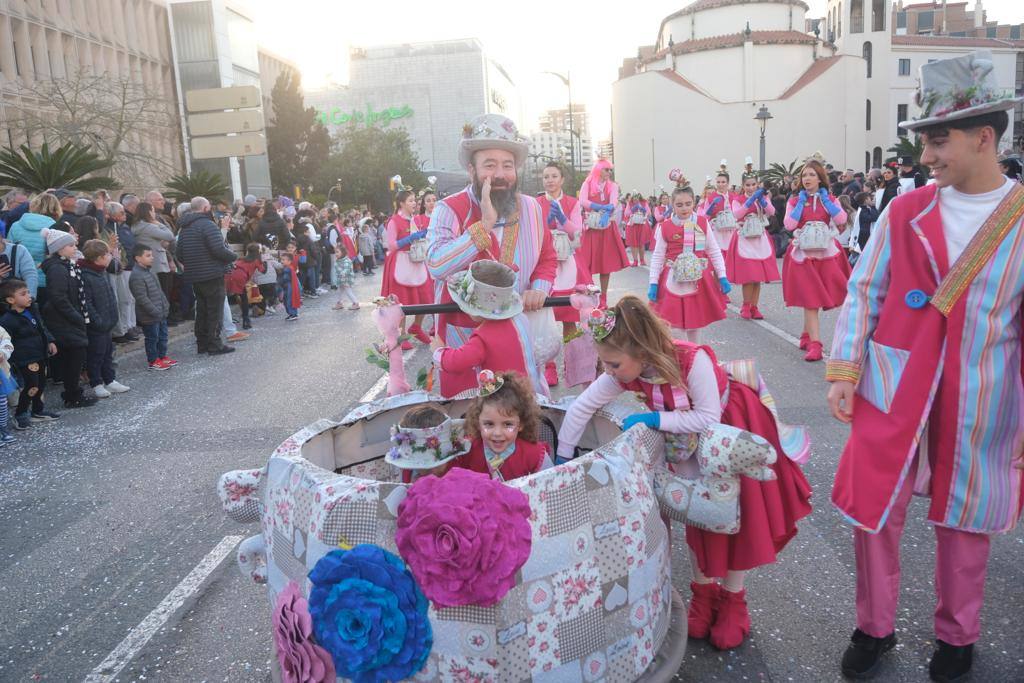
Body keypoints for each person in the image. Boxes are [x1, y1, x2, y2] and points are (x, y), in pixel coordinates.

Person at [826, 51, 1024, 682]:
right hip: (893, 383)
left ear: (984, 137)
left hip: (983, 392)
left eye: (938, 142)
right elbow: (865, 290)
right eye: (925, 143)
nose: (926, 156)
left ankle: (958, 637)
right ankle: (873, 626)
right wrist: (845, 368)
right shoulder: (905, 211)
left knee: (965, 519)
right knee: (874, 510)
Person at [558, 296, 811, 650]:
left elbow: (708, 416)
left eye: (613, 364)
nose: (608, 371)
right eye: (605, 363)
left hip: (729, 432)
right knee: (697, 513)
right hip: (688, 439)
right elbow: (582, 407)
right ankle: (703, 594)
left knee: (736, 516)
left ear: (640, 352)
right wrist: (563, 458)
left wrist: (654, 418)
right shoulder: (625, 370)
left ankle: (734, 599)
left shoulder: (693, 360)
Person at [426, 113, 557, 397]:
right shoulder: (448, 209)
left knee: (521, 409)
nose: (499, 174)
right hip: (464, 336)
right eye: (489, 165)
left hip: (517, 333)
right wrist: (484, 226)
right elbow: (436, 264)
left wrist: (539, 288)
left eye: (507, 165)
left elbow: (547, 258)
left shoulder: (532, 208)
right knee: (468, 412)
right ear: (471, 170)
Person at [431, 260, 535, 397]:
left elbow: (457, 362)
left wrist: (439, 351)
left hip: (502, 397)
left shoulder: (483, 337)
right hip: (528, 390)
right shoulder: (521, 319)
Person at [782, 159, 851, 362]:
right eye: (804, 175)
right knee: (811, 298)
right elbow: (789, 225)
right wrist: (800, 203)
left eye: (812, 175)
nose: (807, 178)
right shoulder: (794, 200)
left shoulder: (830, 199)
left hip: (825, 253)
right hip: (803, 255)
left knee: (815, 298)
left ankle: (806, 334)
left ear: (820, 178)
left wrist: (827, 201)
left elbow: (841, 220)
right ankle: (816, 344)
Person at [648, 186, 730, 343]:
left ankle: (694, 354)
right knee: (675, 328)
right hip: (673, 280)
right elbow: (658, 256)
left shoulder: (702, 223)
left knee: (695, 325)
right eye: (679, 205)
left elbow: (713, 250)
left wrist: (722, 276)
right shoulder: (665, 226)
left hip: (697, 279)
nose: (684, 208)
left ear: (694, 203)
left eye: (688, 204)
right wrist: (653, 282)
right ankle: (684, 352)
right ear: (672, 205)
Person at [535, 161, 589, 386]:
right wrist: (546, 226)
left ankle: (572, 362)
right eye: (546, 176)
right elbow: (532, 232)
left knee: (569, 319)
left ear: (562, 179)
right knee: (545, 320)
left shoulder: (573, 203)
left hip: (568, 266)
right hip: (545, 265)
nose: (549, 180)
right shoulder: (536, 204)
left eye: (554, 176)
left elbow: (578, 235)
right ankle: (549, 367)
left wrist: (564, 222)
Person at [453, 369, 550, 480]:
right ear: (478, 423)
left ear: (521, 424)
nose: (497, 433)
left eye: (508, 424)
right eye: (489, 424)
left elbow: (551, 483)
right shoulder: (466, 451)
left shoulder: (534, 455)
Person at [39, 229, 96, 408]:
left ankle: (73, 393)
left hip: (68, 318)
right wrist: (77, 316)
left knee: (75, 357)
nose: (75, 248)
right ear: (59, 248)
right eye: (71, 245)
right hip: (64, 319)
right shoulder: (57, 268)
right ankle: (73, 396)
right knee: (74, 358)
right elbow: (59, 297)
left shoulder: (66, 265)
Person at [177, 197, 237, 355]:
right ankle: (214, 344)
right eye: (209, 207)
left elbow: (179, 253)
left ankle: (202, 344)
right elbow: (219, 249)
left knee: (202, 310)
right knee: (214, 311)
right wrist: (233, 256)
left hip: (195, 275)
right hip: (212, 274)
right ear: (205, 208)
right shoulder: (208, 225)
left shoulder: (184, 228)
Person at [0, 279, 59, 428]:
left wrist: (50, 341)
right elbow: (6, 340)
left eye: (28, 292)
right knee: (32, 385)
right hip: (25, 358)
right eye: (23, 294)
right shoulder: (7, 320)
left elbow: (41, 327)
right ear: (11, 300)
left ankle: (38, 411)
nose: (28, 296)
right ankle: (20, 413)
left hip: (40, 353)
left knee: (41, 383)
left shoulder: (32, 310)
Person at [381, 189, 432, 347]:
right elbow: (391, 245)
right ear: (401, 203)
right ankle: (401, 335)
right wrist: (409, 239)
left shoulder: (416, 219)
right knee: (401, 302)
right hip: (400, 264)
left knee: (426, 299)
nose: (414, 203)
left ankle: (416, 326)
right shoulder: (394, 221)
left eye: (414, 200)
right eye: (410, 200)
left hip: (417, 263)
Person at [79, 240, 130, 396]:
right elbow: (86, 303)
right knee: (96, 355)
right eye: (108, 254)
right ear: (99, 258)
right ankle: (96, 383)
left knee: (108, 353)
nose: (110, 256)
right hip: (97, 325)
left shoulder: (101, 272)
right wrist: (98, 321)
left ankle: (110, 380)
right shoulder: (86, 275)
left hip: (107, 323)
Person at [576, 158, 629, 307]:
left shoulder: (613, 186)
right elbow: (582, 200)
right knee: (586, 264)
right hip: (591, 228)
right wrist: (598, 206)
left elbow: (613, 202)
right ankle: (591, 295)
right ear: (598, 170)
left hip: (607, 228)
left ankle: (603, 298)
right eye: (606, 169)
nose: (609, 172)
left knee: (606, 264)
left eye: (610, 170)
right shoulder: (587, 183)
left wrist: (608, 210)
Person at [728, 173, 781, 319]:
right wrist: (749, 201)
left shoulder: (763, 197)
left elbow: (772, 212)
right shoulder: (738, 199)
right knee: (749, 275)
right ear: (743, 185)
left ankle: (754, 306)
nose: (751, 188)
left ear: (757, 185)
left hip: (759, 238)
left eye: (753, 185)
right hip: (745, 238)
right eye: (747, 185)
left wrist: (762, 201)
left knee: (758, 276)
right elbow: (736, 214)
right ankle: (746, 305)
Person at [384, 404, 471, 484]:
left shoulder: (463, 468)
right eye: (418, 467)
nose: (427, 472)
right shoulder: (408, 469)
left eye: (436, 465)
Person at [8, 193, 61, 306]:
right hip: (46, 279)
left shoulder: (15, 225)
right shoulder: (56, 228)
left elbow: (9, 253)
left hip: (19, 281)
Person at [129, 244, 176, 369]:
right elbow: (142, 298)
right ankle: (153, 360)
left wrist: (165, 306)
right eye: (148, 255)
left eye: (151, 255)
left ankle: (162, 356)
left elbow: (159, 292)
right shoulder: (136, 276)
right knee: (152, 338)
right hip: (149, 315)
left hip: (160, 313)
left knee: (162, 336)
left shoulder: (150, 271)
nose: (152, 258)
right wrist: (155, 311)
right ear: (138, 258)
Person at [130, 201, 177, 324]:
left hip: (150, 261)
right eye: (152, 210)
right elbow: (170, 236)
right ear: (148, 212)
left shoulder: (137, 226)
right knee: (162, 292)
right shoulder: (149, 226)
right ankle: (163, 318)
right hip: (158, 263)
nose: (154, 213)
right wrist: (158, 223)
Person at [699, 171, 740, 272]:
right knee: (718, 259)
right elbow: (704, 217)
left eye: (723, 182)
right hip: (717, 231)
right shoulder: (711, 198)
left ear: (728, 183)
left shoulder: (734, 197)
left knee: (731, 260)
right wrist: (711, 208)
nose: (720, 184)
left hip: (731, 230)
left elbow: (738, 213)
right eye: (718, 182)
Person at [225, 243, 267, 330]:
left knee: (225, 299)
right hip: (241, 276)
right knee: (244, 298)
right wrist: (265, 262)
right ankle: (246, 320)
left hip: (229, 275)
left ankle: (224, 320)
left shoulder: (241, 259)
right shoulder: (256, 260)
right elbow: (263, 271)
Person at [624, 192, 651, 267]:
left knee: (641, 243)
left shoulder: (644, 203)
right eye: (634, 197)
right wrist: (633, 209)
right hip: (633, 225)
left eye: (637, 197)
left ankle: (642, 260)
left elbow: (649, 213)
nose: (635, 199)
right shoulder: (630, 203)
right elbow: (626, 214)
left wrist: (643, 210)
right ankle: (635, 260)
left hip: (642, 225)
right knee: (633, 244)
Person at [331, 240, 359, 311]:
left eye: (337, 252)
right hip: (341, 279)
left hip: (346, 279)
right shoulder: (338, 260)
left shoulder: (346, 261)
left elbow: (346, 269)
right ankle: (339, 303)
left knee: (348, 291)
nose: (336, 254)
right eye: (335, 252)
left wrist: (342, 273)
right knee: (340, 292)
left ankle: (355, 303)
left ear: (343, 252)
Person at [278, 251, 301, 321]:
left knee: (289, 300)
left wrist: (280, 279)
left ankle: (293, 314)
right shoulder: (288, 268)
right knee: (287, 300)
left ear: (289, 261)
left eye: (283, 260)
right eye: (281, 259)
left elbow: (285, 278)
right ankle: (291, 314)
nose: (281, 261)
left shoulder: (287, 269)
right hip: (287, 286)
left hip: (289, 287)